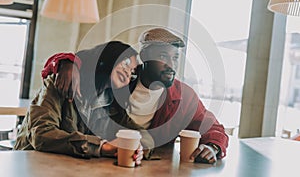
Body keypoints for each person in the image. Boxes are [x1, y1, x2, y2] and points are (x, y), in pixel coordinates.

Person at [40, 28, 229, 164]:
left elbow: (213, 127)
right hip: (85, 161)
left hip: (143, 165)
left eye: (175, 58)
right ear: (144, 57)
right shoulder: (121, 83)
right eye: (163, 57)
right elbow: (94, 63)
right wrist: (66, 62)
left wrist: (213, 147)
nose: (171, 65)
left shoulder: (184, 96)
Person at [14, 41, 144, 165]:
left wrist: (138, 148)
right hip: (29, 165)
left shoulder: (112, 104)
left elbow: (144, 136)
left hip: (67, 168)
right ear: (109, 55)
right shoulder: (62, 81)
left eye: (133, 73)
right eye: (126, 62)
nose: (128, 73)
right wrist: (101, 147)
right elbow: (41, 134)